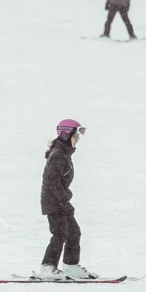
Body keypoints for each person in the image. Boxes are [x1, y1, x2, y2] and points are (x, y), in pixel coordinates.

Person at [39, 120, 96, 280]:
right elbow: (52, 181)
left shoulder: (63, 153)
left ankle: (70, 267)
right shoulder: (58, 155)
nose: (77, 139)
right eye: (76, 136)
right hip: (54, 202)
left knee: (73, 233)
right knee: (60, 234)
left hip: (59, 201)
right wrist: (64, 202)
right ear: (66, 134)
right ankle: (47, 268)